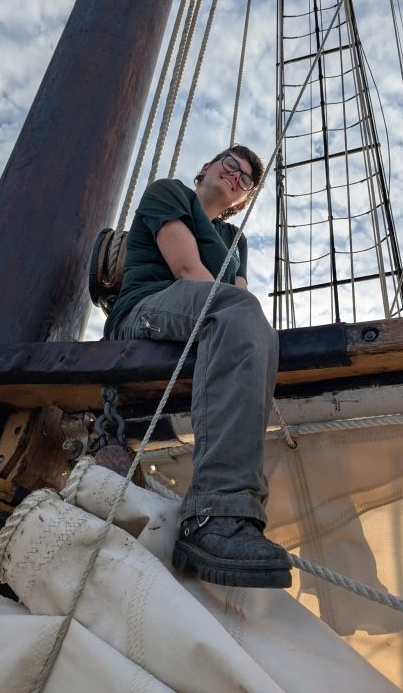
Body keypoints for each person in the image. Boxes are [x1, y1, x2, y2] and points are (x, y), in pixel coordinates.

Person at [104, 145, 291, 588]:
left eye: (246, 179)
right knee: (239, 312)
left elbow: (240, 294)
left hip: (203, 321)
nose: (236, 176)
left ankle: (233, 514)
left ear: (243, 199)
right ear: (207, 166)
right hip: (145, 311)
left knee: (254, 324)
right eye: (230, 164)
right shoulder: (169, 193)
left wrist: (240, 320)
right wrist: (236, 314)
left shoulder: (235, 241)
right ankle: (215, 515)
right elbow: (187, 269)